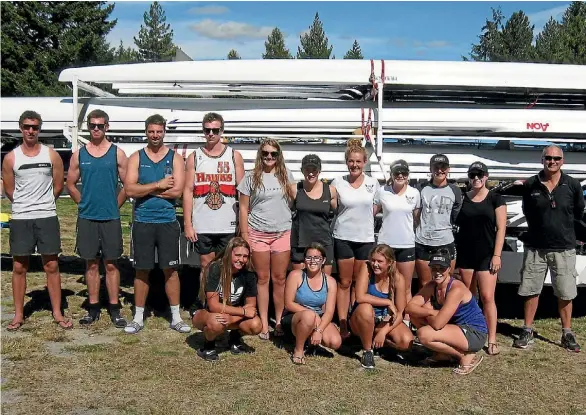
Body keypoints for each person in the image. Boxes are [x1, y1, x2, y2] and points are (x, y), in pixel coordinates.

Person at [2, 110, 72, 330]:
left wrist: (43, 202)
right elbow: (9, 190)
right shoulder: (11, 157)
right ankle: (19, 315)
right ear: (20, 128)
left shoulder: (51, 155)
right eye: (26, 126)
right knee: (19, 266)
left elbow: (58, 185)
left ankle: (58, 313)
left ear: (40, 129)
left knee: (51, 265)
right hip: (21, 217)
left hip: (47, 215)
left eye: (34, 127)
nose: (30, 131)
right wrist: (25, 204)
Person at [123, 114, 190, 334]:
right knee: (142, 270)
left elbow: (177, 192)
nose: (155, 135)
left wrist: (147, 189)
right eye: (151, 131)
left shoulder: (175, 159)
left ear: (164, 132)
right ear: (146, 132)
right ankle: (138, 317)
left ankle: (176, 317)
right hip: (142, 221)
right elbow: (130, 190)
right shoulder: (136, 158)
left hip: (167, 222)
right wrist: (159, 185)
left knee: (170, 270)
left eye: (159, 131)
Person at [514, 145, 584, 352]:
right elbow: (528, 210)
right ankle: (527, 330)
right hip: (535, 247)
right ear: (542, 159)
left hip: (564, 247)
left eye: (556, 158)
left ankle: (567, 333)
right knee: (530, 290)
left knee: (565, 291)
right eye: (548, 158)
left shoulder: (572, 185)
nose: (552, 161)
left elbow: (579, 212)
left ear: (562, 161)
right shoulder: (532, 184)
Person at [66, 109, 128, 327]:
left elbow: (127, 185)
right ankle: (92, 308)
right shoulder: (79, 154)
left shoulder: (117, 153)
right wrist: (82, 203)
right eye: (92, 125)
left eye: (100, 126)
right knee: (91, 264)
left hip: (110, 217)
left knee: (111, 264)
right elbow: (70, 184)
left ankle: (114, 308)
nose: (96, 129)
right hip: (87, 218)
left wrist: (115, 204)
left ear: (106, 127)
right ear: (88, 127)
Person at [237, 139, 295, 340]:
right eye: (265, 153)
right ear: (260, 155)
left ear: (279, 156)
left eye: (273, 154)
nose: (269, 157)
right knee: (262, 279)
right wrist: (244, 235)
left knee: (279, 279)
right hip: (257, 234)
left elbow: (296, 200)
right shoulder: (251, 178)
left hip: (282, 233)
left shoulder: (286, 176)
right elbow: (243, 208)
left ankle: (278, 321)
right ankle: (263, 323)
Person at [406, 250, 488, 375]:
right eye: (434, 268)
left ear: (449, 269)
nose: (437, 272)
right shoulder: (431, 286)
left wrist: (428, 312)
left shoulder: (456, 289)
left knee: (423, 334)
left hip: (474, 332)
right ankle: (443, 354)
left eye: (441, 269)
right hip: (455, 327)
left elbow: (438, 324)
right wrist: (431, 312)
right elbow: (410, 307)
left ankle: (464, 355)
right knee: (415, 316)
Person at [183, 112, 245, 276]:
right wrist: (188, 224)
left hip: (228, 223)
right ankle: (206, 301)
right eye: (207, 130)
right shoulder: (195, 157)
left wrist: (243, 223)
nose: (211, 134)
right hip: (203, 222)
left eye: (215, 130)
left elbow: (243, 193)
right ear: (203, 131)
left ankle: (224, 300)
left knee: (228, 265)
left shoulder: (234, 156)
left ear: (221, 131)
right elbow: (188, 191)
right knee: (206, 265)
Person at [455, 162, 506, 356]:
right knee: (468, 297)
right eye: (473, 175)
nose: (476, 178)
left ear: (486, 176)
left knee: (487, 297)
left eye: (480, 174)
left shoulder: (495, 198)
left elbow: (501, 229)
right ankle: (469, 332)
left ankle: (491, 337)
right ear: (469, 176)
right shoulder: (462, 199)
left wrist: (497, 255)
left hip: (487, 255)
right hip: (466, 254)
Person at [332, 138, 380, 339]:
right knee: (344, 282)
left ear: (365, 162)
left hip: (365, 238)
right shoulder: (338, 182)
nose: (354, 165)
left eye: (358, 161)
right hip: (343, 236)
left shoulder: (373, 183)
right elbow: (333, 207)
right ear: (346, 162)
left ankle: (354, 320)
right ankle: (342, 323)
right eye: (351, 161)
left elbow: (375, 208)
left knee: (359, 283)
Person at [193, 237, 262, 361]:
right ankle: (208, 347)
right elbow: (214, 306)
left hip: (233, 313)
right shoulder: (216, 268)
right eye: (238, 255)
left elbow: (251, 307)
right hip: (206, 313)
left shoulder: (249, 274)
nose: (241, 260)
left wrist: (232, 318)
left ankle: (234, 338)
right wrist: (243, 312)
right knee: (216, 322)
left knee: (256, 325)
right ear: (229, 253)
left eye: (245, 256)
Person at [349, 244, 414, 369]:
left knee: (406, 341)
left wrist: (383, 332)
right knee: (366, 307)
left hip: (382, 320)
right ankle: (367, 351)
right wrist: (388, 302)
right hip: (361, 318)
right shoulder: (366, 268)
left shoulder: (398, 278)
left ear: (390, 262)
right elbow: (360, 297)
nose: (375, 264)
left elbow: (400, 312)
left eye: (380, 261)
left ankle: (379, 342)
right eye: (373, 260)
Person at [374, 159, 421, 319]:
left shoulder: (414, 193)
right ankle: (386, 316)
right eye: (397, 173)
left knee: (405, 286)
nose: (400, 175)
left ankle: (406, 320)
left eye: (404, 173)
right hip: (386, 245)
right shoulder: (382, 191)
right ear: (391, 175)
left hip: (407, 244)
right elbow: (371, 214)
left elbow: (417, 220)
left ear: (408, 175)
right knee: (386, 284)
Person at [283, 243, 341, 365]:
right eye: (309, 257)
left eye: (317, 258)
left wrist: (319, 330)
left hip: (317, 317)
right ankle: (298, 349)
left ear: (323, 260)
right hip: (295, 317)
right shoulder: (296, 275)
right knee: (308, 316)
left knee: (335, 342)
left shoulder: (330, 281)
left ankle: (310, 339)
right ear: (304, 259)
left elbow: (330, 311)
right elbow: (288, 304)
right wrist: (312, 314)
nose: (312, 261)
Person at [414, 154, 462, 286]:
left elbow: (455, 214)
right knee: (425, 283)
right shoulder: (421, 188)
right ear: (430, 168)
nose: (440, 170)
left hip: (445, 242)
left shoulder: (455, 191)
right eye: (436, 167)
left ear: (448, 169)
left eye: (443, 167)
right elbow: (416, 214)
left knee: (445, 283)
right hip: (423, 242)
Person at [290, 154, 337, 275]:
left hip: (324, 243)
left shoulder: (330, 190)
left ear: (319, 171)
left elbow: (339, 212)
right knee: (299, 283)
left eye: (314, 170)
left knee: (325, 282)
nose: (311, 173)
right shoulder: (294, 189)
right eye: (307, 169)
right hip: (301, 243)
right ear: (302, 170)